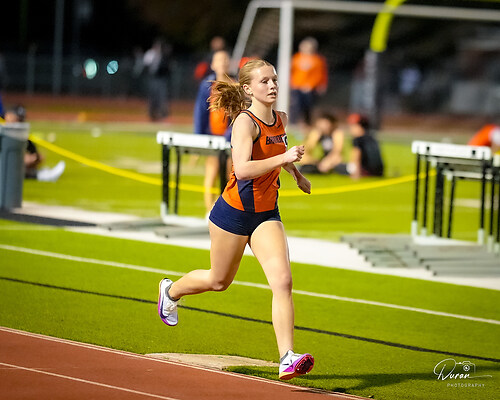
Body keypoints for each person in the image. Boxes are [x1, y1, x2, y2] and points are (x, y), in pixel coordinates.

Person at [158, 59, 314, 380]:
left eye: (274, 80)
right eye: (264, 81)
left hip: (266, 214)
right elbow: (242, 169)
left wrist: (296, 174)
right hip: (233, 213)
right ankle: (170, 292)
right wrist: (284, 158)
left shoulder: (281, 119)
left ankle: (287, 357)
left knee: (283, 281)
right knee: (218, 281)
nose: (272, 86)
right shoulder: (245, 123)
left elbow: (276, 151)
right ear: (248, 89)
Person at [193, 49, 234, 215]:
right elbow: (200, 113)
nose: (223, 63)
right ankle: (209, 210)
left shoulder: (235, 85)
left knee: (230, 177)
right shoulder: (207, 86)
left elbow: (239, 115)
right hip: (212, 138)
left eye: (225, 60)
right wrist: (198, 140)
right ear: (213, 64)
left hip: (230, 140)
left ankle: (224, 210)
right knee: (211, 175)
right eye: (219, 60)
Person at [3, 105, 65, 182]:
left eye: (21, 120)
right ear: (8, 115)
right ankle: (41, 176)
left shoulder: (20, 133)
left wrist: (35, 158)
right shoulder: (3, 130)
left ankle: (41, 173)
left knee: (25, 160)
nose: (19, 123)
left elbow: (35, 152)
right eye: (17, 119)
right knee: (16, 162)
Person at [319, 113, 384, 178]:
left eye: (352, 126)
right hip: (378, 172)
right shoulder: (372, 138)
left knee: (337, 166)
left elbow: (356, 157)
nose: (350, 129)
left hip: (364, 171)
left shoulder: (358, 139)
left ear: (359, 126)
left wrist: (356, 173)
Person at [290, 37, 328, 128]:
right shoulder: (296, 58)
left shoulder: (317, 60)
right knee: (295, 105)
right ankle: (293, 123)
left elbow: (320, 74)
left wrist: (315, 85)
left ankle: (307, 124)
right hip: (297, 86)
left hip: (310, 87)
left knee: (307, 107)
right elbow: (291, 72)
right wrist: (292, 83)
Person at [143, 38, 171, 121]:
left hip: (161, 78)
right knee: (153, 96)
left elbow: (167, 67)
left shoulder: (164, 55)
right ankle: (152, 114)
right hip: (153, 78)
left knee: (162, 96)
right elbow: (146, 65)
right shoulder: (150, 54)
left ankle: (161, 114)